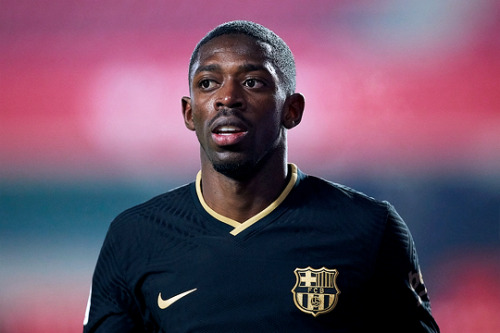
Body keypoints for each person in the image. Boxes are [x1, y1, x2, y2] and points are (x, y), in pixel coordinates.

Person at [83, 20, 439, 332]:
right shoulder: (134, 237)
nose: (227, 98)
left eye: (252, 82)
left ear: (292, 110)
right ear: (190, 113)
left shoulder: (370, 227)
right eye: (208, 83)